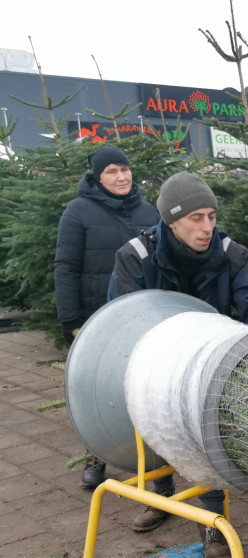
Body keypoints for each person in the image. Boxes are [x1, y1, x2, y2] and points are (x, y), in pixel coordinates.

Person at [109, 171, 248, 558]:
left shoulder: (231, 253)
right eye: (196, 218)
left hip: (205, 366)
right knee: (152, 425)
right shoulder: (135, 258)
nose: (207, 227)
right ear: (171, 221)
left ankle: (213, 527)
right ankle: (162, 498)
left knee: (201, 433)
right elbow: (119, 323)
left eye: (212, 216)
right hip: (153, 364)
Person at [55, 146, 160, 491]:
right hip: (96, 315)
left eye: (125, 169)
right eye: (112, 171)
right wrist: (70, 318)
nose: (122, 177)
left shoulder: (148, 212)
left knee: (145, 385)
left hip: (141, 316)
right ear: (98, 176)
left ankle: (155, 462)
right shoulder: (78, 212)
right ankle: (95, 456)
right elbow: (66, 267)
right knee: (96, 387)